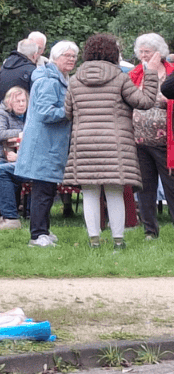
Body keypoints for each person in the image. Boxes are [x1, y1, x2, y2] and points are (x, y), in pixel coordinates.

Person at [63, 33, 157, 249]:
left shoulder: (75, 80)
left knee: (90, 193)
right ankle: (118, 241)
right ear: (113, 54)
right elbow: (145, 102)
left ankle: (94, 241)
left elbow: (68, 113)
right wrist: (150, 73)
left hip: (84, 145)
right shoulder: (120, 78)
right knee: (115, 193)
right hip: (115, 145)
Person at [14, 41, 79, 247]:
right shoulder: (48, 81)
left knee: (48, 188)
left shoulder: (59, 79)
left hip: (50, 143)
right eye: (67, 55)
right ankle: (37, 234)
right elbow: (45, 112)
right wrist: (70, 112)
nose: (71, 59)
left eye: (74, 56)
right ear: (55, 57)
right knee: (42, 189)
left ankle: (44, 229)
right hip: (43, 143)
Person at [128, 33, 174, 239]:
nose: (144, 56)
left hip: (166, 141)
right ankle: (150, 230)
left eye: (148, 52)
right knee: (145, 187)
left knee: (171, 186)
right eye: (141, 52)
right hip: (139, 140)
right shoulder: (135, 73)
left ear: (160, 52)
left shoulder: (171, 72)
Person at [0, 86, 29, 230]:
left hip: (18, 158)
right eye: (18, 101)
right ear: (9, 103)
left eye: (24, 101)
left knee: (11, 173)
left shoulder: (30, 115)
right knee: (6, 172)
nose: (22, 104)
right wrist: (22, 132)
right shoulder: (1, 113)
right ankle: (8, 215)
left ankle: (5, 215)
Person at [0, 39, 39, 113]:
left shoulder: (3, 68)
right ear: (35, 55)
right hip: (24, 119)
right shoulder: (33, 71)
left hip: (4, 117)